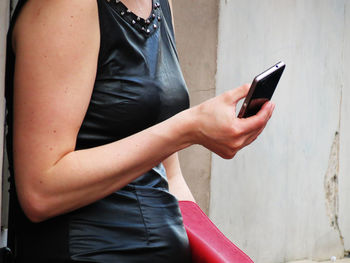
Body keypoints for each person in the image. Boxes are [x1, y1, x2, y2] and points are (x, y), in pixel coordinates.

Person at [5, 0, 274, 262]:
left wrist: (217, 252)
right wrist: (188, 128)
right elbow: (40, 191)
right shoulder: (66, 5)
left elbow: (171, 177)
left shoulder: (161, 3)